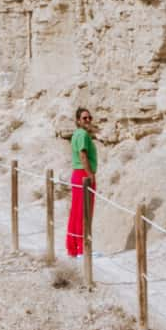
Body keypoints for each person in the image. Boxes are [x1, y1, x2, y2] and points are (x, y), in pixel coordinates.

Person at [66, 107, 97, 257]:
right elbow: (83, 156)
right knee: (84, 211)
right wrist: (90, 175)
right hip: (83, 175)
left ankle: (73, 247)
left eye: (89, 117)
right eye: (84, 118)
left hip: (77, 175)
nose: (88, 120)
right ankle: (81, 248)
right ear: (78, 121)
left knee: (76, 211)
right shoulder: (83, 134)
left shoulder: (76, 134)